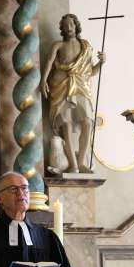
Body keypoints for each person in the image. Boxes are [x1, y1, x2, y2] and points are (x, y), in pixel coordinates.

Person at [41, 13, 105, 174]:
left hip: (81, 86)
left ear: (76, 26)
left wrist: (101, 62)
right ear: (61, 29)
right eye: (65, 25)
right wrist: (43, 81)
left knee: (88, 122)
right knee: (66, 125)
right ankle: (73, 165)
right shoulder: (58, 45)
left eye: (71, 24)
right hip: (61, 85)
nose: (68, 27)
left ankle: (81, 162)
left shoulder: (85, 46)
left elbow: (91, 72)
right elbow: (49, 62)